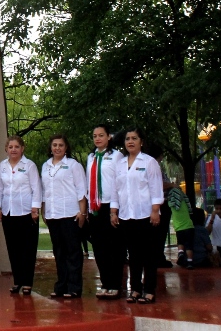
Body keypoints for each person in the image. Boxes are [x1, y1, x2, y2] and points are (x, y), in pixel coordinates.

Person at [110, 126, 164, 304]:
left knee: (149, 254)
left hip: (146, 215)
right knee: (133, 255)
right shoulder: (119, 164)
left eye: (134, 138)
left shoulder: (149, 162)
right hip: (127, 215)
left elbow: (156, 188)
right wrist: (113, 211)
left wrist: (155, 211)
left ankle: (149, 290)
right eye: (127, 139)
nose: (130, 142)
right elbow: (115, 190)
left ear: (141, 141)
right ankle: (135, 289)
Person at [41, 134, 87, 298]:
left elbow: (81, 189)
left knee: (73, 252)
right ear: (51, 147)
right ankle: (61, 285)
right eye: (54, 145)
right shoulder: (45, 166)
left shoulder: (73, 165)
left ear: (66, 147)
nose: (57, 148)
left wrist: (82, 211)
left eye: (61, 145)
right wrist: (43, 210)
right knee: (59, 252)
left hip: (70, 214)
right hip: (53, 214)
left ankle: (74, 287)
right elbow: (45, 191)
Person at [0, 135, 41, 295]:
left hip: (27, 212)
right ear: (6, 149)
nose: (13, 149)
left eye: (17, 147)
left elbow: (37, 188)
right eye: (10, 147)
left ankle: (27, 282)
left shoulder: (29, 165)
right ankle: (18, 281)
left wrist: (35, 208)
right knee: (13, 248)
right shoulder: (2, 166)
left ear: (22, 149)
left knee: (27, 249)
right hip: (8, 212)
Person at [85, 124, 124, 299]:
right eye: (95, 136)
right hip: (95, 207)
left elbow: (118, 182)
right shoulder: (91, 157)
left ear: (109, 137)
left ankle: (116, 284)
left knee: (114, 247)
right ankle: (106, 283)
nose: (98, 138)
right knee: (99, 247)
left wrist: (114, 210)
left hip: (111, 205)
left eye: (101, 135)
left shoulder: (116, 156)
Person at [167, 187, 195, 269]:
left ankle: (181, 253)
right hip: (189, 227)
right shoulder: (184, 202)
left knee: (180, 242)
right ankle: (190, 262)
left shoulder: (171, 205)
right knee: (189, 246)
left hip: (179, 229)